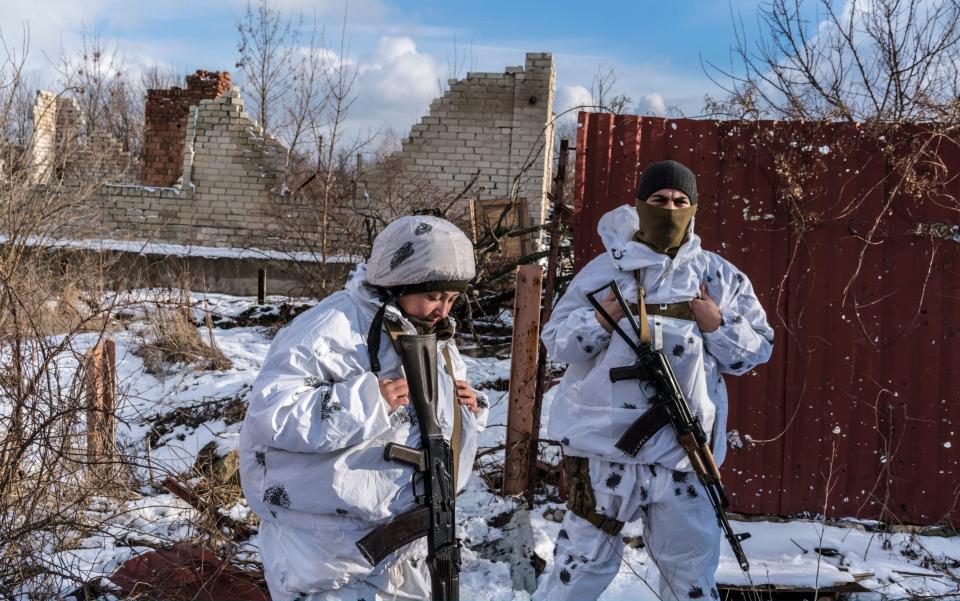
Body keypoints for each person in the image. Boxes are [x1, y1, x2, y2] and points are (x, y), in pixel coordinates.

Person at [534, 160, 774, 601]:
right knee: (579, 568)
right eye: (659, 200)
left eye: (681, 201)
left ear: (694, 208)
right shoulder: (607, 269)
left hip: (686, 455)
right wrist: (600, 321)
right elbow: (556, 341)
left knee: (690, 578)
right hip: (606, 452)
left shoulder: (716, 276)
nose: (670, 208)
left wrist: (717, 324)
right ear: (641, 205)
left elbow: (757, 351)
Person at [239, 215, 487, 601]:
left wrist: (468, 409)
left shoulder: (428, 331)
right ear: (400, 282)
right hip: (328, 547)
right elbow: (274, 414)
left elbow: (429, 422)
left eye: (452, 299)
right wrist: (369, 400)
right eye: (435, 297)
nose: (443, 310)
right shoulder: (331, 328)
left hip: (409, 538)